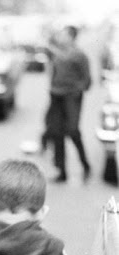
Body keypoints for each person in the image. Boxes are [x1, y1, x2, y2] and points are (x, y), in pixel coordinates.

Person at [46, 25, 92, 183]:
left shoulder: (79, 55)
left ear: (72, 37)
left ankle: (85, 165)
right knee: (57, 132)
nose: (61, 37)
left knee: (73, 130)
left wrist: (75, 90)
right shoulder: (57, 54)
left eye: (64, 35)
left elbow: (87, 80)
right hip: (57, 96)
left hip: (71, 97)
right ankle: (61, 171)